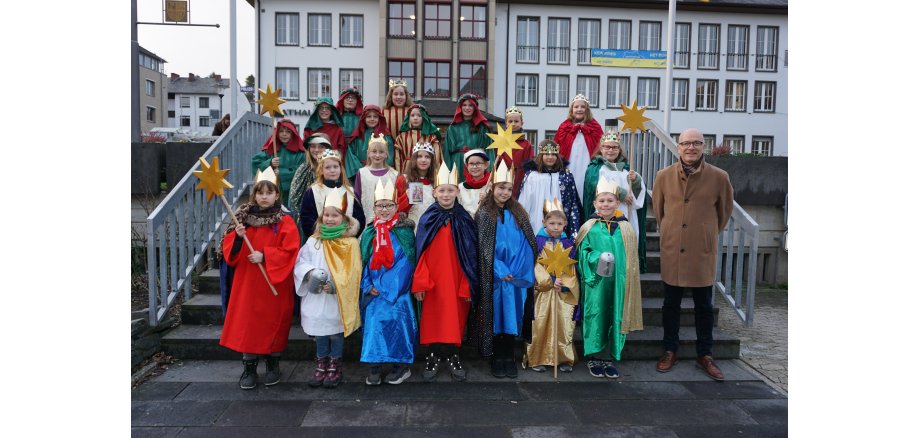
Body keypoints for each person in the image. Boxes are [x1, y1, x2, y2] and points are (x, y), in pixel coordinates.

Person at [653, 127, 734, 382]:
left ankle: (705, 354)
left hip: (701, 251)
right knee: (670, 305)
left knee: (704, 306)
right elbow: (659, 211)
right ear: (678, 147)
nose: (691, 147)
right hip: (673, 249)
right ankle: (670, 349)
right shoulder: (663, 176)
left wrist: (705, 233)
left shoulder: (719, 177)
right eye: (685, 143)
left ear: (703, 146)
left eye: (696, 143)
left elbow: (724, 213)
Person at [220, 171, 300, 390]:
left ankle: (273, 364)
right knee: (249, 324)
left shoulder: (285, 221)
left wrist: (266, 255)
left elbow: (291, 249)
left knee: (273, 323)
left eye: (269, 192)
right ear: (254, 195)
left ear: (277, 195)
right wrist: (236, 236)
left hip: (273, 281)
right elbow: (228, 252)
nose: (264, 197)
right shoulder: (242, 217)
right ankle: (249, 367)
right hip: (248, 281)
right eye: (260, 192)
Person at [412, 161, 479, 382]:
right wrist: (420, 283)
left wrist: (467, 283)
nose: (446, 194)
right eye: (442, 190)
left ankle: (453, 355)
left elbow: (470, 255)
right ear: (434, 192)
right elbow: (420, 253)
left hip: (457, 279)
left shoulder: (465, 218)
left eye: (450, 190)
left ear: (457, 191)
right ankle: (432, 356)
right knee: (433, 319)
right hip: (433, 281)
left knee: (454, 318)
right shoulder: (427, 218)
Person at [471, 161, 537, 379]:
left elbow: (528, 244)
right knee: (497, 316)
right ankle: (496, 357)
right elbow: (483, 245)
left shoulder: (519, 213)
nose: (505, 192)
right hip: (496, 278)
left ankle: (509, 356)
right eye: (501, 188)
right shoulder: (484, 214)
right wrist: (499, 269)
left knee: (513, 316)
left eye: (509, 189)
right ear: (492, 187)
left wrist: (517, 270)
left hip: (516, 279)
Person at [294, 187, 363, 389]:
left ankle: (335, 365)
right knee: (320, 332)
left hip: (336, 297)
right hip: (316, 296)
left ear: (345, 219)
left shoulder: (350, 243)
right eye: (327, 215)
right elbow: (301, 262)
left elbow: (354, 270)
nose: (330, 219)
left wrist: (337, 286)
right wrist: (310, 274)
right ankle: (321, 364)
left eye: (335, 215)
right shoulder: (313, 241)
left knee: (334, 332)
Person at [576, 177, 642, 379]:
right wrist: (597, 259)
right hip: (596, 282)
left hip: (618, 281)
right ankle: (594, 357)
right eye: (602, 201)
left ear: (618, 203)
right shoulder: (589, 226)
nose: (606, 204)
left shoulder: (626, 227)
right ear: (595, 203)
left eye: (610, 200)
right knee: (596, 314)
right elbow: (582, 253)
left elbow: (631, 258)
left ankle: (609, 357)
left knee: (615, 314)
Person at [358, 180, 418, 385]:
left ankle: (399, 366)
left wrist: (384, 287)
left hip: (396, 293)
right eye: (380, 205)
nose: (384, 210)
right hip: (373, 291)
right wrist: (368, 285)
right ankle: (374, 365)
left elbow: (406, 263)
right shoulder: (369, 232)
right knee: (374, 326)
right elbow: (363, 261)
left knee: (398, 326)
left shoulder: (405, 232)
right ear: (373, 207)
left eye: (389, 205)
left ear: (396, 207)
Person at [524, 203, 580, 373]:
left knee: (563, 325)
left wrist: (562, 282)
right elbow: (533, 266)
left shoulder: (568, 244)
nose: (556, 227)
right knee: (540, 324)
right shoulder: (537, 242)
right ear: (544, 223)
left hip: (561, 293)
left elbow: (572, 269)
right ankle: (537, 358)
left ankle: (563, 358)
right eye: (552, 223)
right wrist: (549, 280)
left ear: (565, 225)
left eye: (559, 224)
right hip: (542, 292)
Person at [582, 130, 649, 271]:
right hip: (604, 215)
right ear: (601, 148)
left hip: (626, 214)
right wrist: (619, 192)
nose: (611, 150)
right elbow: (593, 187)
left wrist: (635, 181)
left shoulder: (626, 169)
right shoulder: (596, 168)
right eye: (607, 147)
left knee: (625, 245)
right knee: (606, 246)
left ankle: (625, 274)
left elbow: (639, 196)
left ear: (619, 150)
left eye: (614, 147)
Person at [518, 139, 582, 238]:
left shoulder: (565, 176)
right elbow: (525, 200)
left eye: (553, 154)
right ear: (541, 156)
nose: (550, 157)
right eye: (547, 154)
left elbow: (572, 201)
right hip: (536, 216)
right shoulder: (532, 176)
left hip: (559, 219)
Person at [299, 150, 366, 241]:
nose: (332, 170)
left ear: (340, 169)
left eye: (335, 167)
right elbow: (306, 218)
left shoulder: (350, 192)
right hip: (321, 241)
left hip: (346, 241)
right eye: (328, 167)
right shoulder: (312, 192)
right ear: (321, 170)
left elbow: (360, 218)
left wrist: (349, 235)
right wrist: (320, 235)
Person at [553, 94, 603, 201]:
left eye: (582, 107)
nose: (579, 109)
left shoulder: (595, 127)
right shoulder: (564, 126)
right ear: (571, 110)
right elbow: (556, 146)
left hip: (588, 167)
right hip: (569, 167)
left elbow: (601, 147)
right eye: (576, 107)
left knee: (586, 191)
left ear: (587, 109)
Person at [251, 119, 305, 206]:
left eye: (288, 132)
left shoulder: (300, 153)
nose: (284, 134)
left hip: (292, 193)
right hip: (271, 192)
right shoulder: (271, 149)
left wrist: (282, 173)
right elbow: (256, 163)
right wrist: (270, 163)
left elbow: (302, 170)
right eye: (281, 131)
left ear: (293, 134)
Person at [289, 133, 333, 241]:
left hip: (331, 219)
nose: (316, 150)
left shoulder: (334, 168)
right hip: (308, 221)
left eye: (321, 146)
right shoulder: (303, 169)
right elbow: (294, 200)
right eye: (313, 146)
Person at [443, 94, 493, 176]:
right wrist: (447, 171)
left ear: (475, 108)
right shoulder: (452, 128)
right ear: (460, 107)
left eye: (470, 105)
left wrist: (489, 168)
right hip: (457, 163)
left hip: (476, 163)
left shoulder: (482, 127)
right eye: (464, 105)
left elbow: (489, 150)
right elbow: (447, 153)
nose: (467, 108)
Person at [354, 134, 399, 224]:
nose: (377, 155)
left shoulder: (394, 174)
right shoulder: (362, 173)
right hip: (367, 219)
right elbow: (357, 198)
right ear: (368, 153)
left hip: (389, 220)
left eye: (381, 152)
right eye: (374, 151)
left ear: (386, 154)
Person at [395, 142, 438, 231]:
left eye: (427, 157)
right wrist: (409, 196)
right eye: (419, 156)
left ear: (431, 160)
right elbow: (396, 209)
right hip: (409, 228)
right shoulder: (403, 179)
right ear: (414, 159)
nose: (423, 160)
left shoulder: (436, 182)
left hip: (430, 228)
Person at [345, 104, 395, 181]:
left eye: (375, 117)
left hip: (380, 171)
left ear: (379, 119)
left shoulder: (385, 135)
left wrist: (380, 169)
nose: (372, 119)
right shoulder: (358, 135)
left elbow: (389, 155)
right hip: (361, 172)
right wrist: (361, 171)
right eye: (369, 116)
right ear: (364, 118)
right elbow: (351, 155)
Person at [394, 104, 443, 173]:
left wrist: (436, 173)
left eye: (419, 115)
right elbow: (398, 158)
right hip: (407, 170)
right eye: (412, 115)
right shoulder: (402, 137)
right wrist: (399, 174)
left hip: (427, 171)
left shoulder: (431, 137)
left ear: (424, 118)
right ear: (408, 118)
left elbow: (437, 157)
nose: (415, 118)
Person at [496, 107, 533, 197]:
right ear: (506, 123)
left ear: (521, 123)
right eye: (510, 121)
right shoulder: (499, 141)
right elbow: (495, 161)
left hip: (519, 176)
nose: (513, 124)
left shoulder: (526, 144)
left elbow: (530, 163)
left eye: (516, 121)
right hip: (502, 177)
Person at [457, 148, 490, 216]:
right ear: (467, 166)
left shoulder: (491, 186)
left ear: (485, 165)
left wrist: (487, 199)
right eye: (471, 164)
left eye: (478, 163)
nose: (475, 167)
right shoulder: (460, 188)